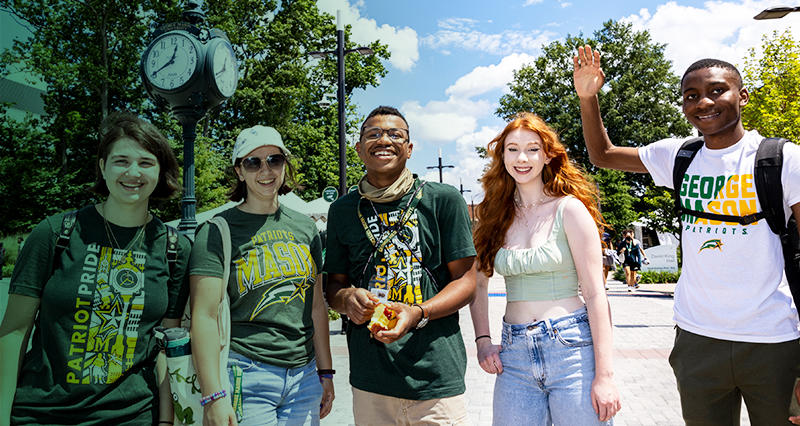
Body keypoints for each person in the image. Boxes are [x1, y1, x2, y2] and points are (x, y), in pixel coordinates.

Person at [574, 45, 800, 425]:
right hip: (697, 341)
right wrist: (588, 97)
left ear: (742, 95)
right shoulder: (678, 155)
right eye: (691, 96)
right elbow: (603, 154)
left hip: (774, 340)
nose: (703, 103)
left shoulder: (782, 159)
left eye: (716, 90)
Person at [0, 112, 191, 425]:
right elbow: (13, 332)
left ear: (160, 172)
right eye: (121, 161)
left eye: (146, 162)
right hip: (43, 414)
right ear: (103, 166)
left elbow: (164, 347)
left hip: (131, 416)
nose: (133, 172)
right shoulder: (54, 233)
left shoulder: (174, 248)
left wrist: (167, 421)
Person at [324, 106, 477, 425]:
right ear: (359, 148)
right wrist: (348, 298)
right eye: (373, 134)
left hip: (435, 379)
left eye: (396, 134)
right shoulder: (342, 210)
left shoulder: (443, 200)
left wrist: (417, 313)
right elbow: (333, 287)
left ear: (409, 148)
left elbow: (466, 282)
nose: (384, 140)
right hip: (371, 382)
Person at [470, 112, 620, 425]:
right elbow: (478, 284)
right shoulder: (494, 216)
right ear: (502, 155)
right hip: (514, 355)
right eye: (512, 149)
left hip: (572, 351)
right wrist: (483, 341)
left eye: (532, 149)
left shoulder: (570, 209)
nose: (521, 158)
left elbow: (595, 295)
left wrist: (605, 376)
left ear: (547, 154)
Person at [189, 125, 334, 426]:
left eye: (274, 160)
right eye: (253, 162)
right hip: (245, 373)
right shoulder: (217, 231)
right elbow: (204, 316)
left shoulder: (305, 228)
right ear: (239, 171)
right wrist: (213, 396)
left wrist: (325, 371)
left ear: (285, 165)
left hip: (304, 376)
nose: (265, 170)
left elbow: (316, 304)